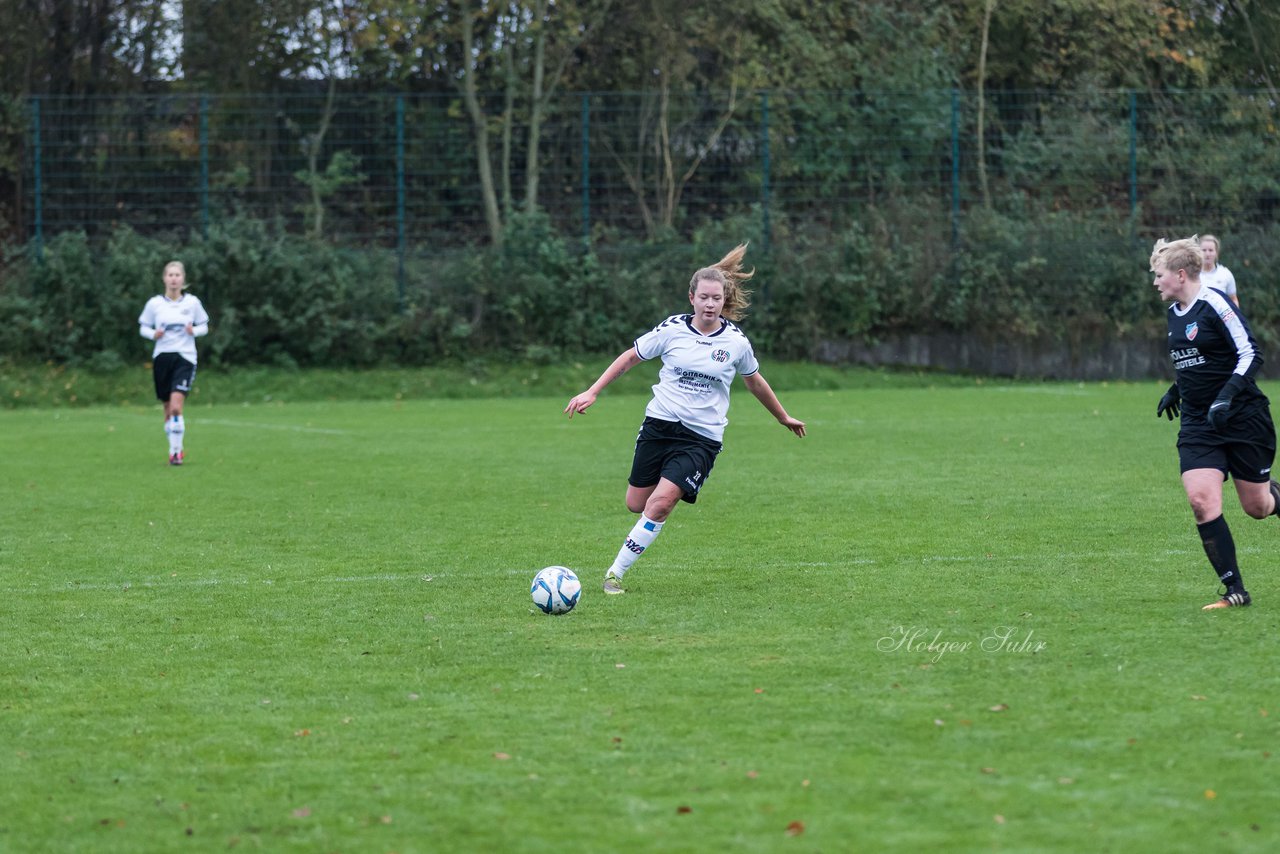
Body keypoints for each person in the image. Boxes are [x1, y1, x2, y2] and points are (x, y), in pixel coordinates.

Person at [564, 243, 806, 594]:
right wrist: (593, 390)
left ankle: (614, 574)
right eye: (704, 297)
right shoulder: (672, 329)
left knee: (660, 504)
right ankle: (652, 511)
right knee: (637, 504)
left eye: (717, 299)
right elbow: (631, 357)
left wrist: (782, 416)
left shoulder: (736, 343)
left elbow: (754, 381)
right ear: (691, 297)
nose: (710, 304)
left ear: (725, 301)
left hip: (701, 438)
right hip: (658, 426)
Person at [1152, 235, 1279, 610]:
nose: (1155, 282)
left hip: (1242, 417)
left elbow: (1250, 353)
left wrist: (1227, 395)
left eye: (1159, 275)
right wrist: (1177, 388)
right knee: (1201, 500)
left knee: (1257, 507)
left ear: (1179, 274)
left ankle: (1267, 489)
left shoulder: (1214, 303)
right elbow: (1198, 359)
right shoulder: (1174, 314)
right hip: (1197, 423)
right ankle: (1235, 590)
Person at [138, 261, 209, 466]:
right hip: (162, 357)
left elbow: (204, 325)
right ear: (164, 278)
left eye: (177, 275)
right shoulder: (155, 304)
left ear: (183, 279)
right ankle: (173, 447)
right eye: (170, 275)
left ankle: (176, 453)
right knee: (168, 409)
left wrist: (193, 331)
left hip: (185, 357)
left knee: (177, 407)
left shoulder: (192, 303)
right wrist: (154, 334)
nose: (174, 278)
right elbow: (143, 327)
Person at [1199, 234, 1238, 307]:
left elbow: (1233, 299)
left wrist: (1235, 316)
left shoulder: (1225, 274)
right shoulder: (1192, 274)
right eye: (1204, 250)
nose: (1207, 254)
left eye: (1211, 250)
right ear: (1198, 252)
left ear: (1216, 253)